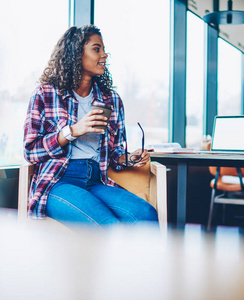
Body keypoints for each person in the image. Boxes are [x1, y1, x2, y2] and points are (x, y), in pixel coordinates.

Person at [23, 25, 158, 229]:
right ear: (77, 53)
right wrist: (72, 131)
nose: (104, 55)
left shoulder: (111, 100)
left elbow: (114, 152)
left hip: (95, 180)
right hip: (58, 181)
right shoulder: (45, 94)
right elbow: (30, 150)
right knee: (110, 226)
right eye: (97, 49)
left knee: (146, 215)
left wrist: (129, 158)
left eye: (104, 49)